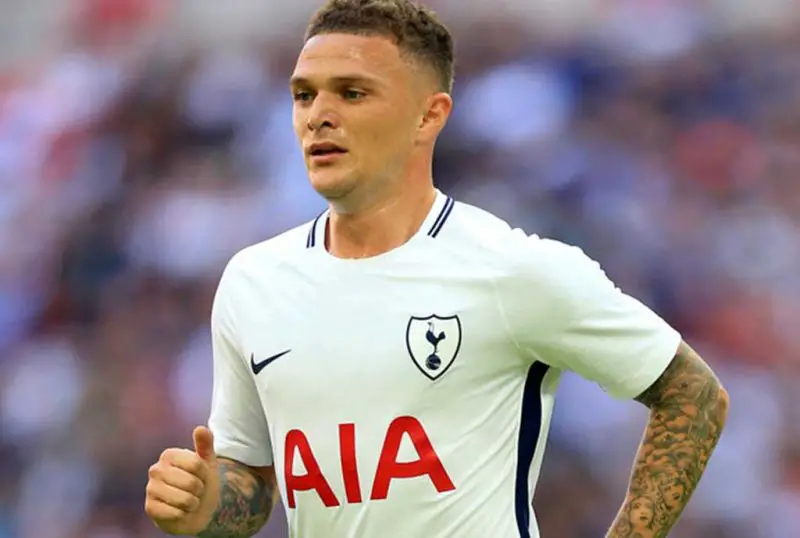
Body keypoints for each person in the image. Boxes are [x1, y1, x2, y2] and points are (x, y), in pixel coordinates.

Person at [143, 0, 730, 537]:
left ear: (428, 116)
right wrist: (206, 502)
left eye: (352, 93)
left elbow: (693, 394)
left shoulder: (509, 269)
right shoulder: (254, 282)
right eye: (304, 95)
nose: (319, 115)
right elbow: (253, 478)